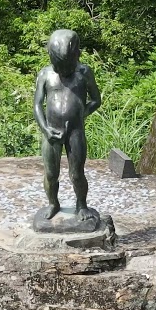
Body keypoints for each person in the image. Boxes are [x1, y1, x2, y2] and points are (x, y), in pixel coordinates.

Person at [33, 29, 102, 221]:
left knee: (77, 173)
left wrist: (81, 114)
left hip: (75, 132)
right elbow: (37, 104)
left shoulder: (84, 72)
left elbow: (96, 100)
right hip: (51, 132)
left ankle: (82, 205)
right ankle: (53, 203)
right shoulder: (46, 74)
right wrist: (45, 129)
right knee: (50, 173)